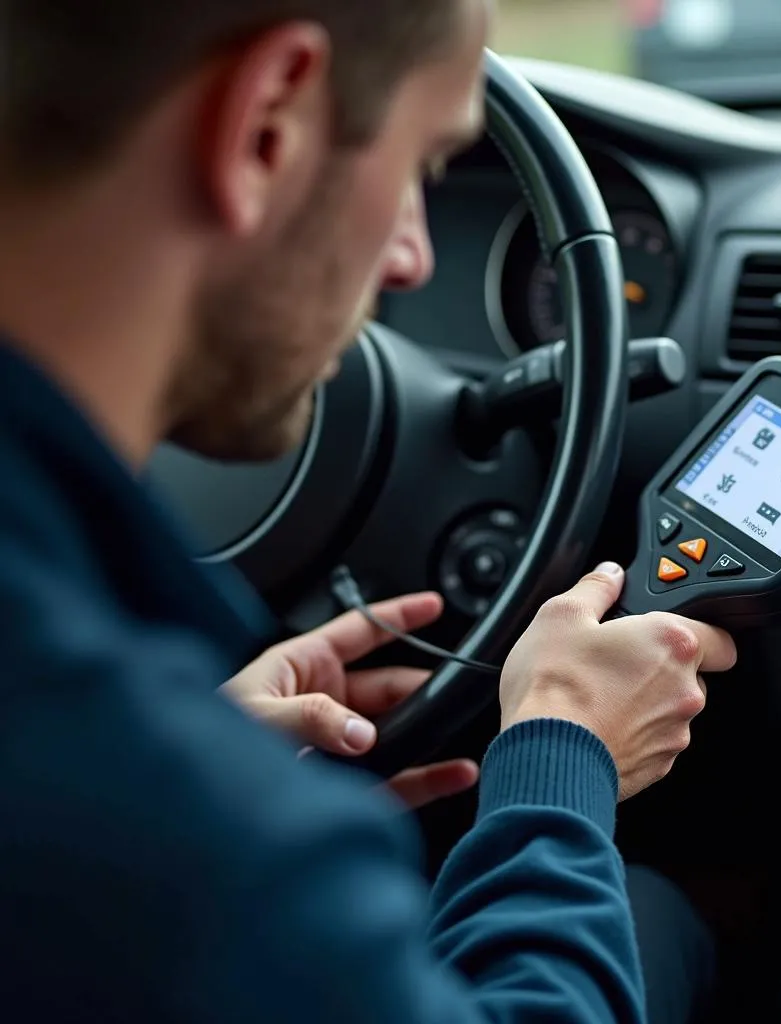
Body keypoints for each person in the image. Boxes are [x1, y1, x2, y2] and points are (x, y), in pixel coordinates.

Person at [0, 1, 737, 1021]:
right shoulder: (199, 844)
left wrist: (209, 740)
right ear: (269, 125)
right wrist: (560, 759)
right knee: (655, 911)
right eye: (419, 169)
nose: (411, 260)